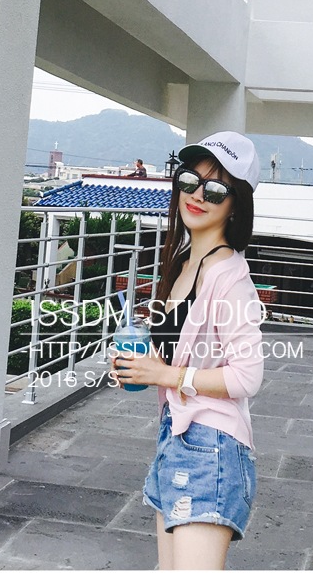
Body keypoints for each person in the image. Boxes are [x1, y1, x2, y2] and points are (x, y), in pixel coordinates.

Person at [111, 131, 264, 570]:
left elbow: (247, 376)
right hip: (176, 438)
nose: (197, 195)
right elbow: (179, 357)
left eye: (215, 190)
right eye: (189, 181)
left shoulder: (229, 277)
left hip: (211, 447)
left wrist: (166, 376)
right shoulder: (183, 263)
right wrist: (141, 366)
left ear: (235, 205)